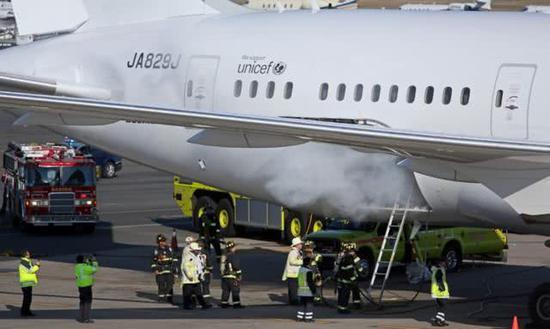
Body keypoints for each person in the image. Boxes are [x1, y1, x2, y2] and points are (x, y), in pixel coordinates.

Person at [334, 243, 363, 313]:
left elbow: (337, 268)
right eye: (353, 251)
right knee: (345, 294)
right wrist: (354, 279)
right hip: (347, 280)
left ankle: (341, 307)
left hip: (341, 278)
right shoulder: (349, 258)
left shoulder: (340, 256)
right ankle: (343, 309)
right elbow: (355, 269)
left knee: (342, 294)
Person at [181, 242, 211, 310]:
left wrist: (201, 275)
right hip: (188, 280)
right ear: (193, 250)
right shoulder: (188, 257)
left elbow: (199, 267)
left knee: (199, 293)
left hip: (196, 279)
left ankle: (203, 304)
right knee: (187, 294)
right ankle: (187, 306)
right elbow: (185, 267)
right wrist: (189, 276)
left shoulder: (196, 257)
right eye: (197, 250)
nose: (198, 251)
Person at [151, 233, 178, 304]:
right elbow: (153, 262)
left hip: (169, 270)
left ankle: (169, 298)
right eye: (161, 241)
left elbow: (174, 259)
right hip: (160, 270)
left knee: (170, 284)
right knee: (161, 284)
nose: (162, 243)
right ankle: (161, 298)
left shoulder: (170, 249)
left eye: (163, 241)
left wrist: (175, 270)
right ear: (158, 242)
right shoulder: (156, 250)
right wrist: (155, 269)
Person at [75, 254, 98, 323]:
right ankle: (86, 318)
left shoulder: (77, 267)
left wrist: (88, 262)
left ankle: (82, 318)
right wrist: (94, 261)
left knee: (82, 302)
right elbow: (94, 269)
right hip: (87, 286)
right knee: (88, 302)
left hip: (80, 286)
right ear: (82, 261)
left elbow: (86, 267)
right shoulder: (85, 267)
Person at [220, 241, 244, 308]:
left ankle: (224, 303)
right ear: (232, 248)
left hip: (225, 276)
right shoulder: (233, 255)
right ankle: (236, 304)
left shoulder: (224, 255)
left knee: (226, 290)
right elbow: (236, 266)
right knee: (235, 290)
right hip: (232, 276)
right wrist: (239, 274)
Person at [18, 250, 40, 317]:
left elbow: (31, 269)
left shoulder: (27, 261)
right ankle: (24, 312)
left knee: (28, 298)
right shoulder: (24, 262)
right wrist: (37, 265)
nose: (29, 254)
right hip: (25, 282)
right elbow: (31, 270)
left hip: (28, 282)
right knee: (27, 298)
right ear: (25, 255)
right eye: (28, 253)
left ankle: (26, 311)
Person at [282, 237, 304, 305]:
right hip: (292, 274)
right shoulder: (293, 252)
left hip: (296, 273)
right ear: (296, 245)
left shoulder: (299, 252)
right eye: (300, 244)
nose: (301, 245)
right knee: (293, 288)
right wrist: (302, 262)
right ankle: (294, 301)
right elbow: (292, 261)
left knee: (293, 288)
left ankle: (292, 301)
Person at [296, 256, 316, 322]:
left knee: (302, 304)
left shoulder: (300, 270)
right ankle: (308, 318)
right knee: (309, 304)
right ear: (308, 263)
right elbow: (310, 282)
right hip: (308, 291)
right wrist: (314, 290)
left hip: (301, 290)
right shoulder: (309, 271)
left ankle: (299, 317)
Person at [431, 259, 450, 327]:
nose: (445, 265)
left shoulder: (436, 270)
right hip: (440, 293)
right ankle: (438, 319)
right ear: (440, 264)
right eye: (444, 263)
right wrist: (442, 288)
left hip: (437, 293)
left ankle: (441, 320)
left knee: (441, 307)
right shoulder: (439, 271)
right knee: (442, 307)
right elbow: (439, 281)